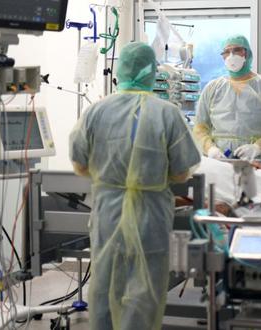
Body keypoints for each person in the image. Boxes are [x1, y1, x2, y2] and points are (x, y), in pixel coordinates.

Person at [69, 42, 201, 330]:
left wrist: (111, 173)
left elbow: (79, 165)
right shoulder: (168, 113)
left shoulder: (96, 112)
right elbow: (181, 172)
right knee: (144, 288)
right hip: (150, 215)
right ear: (152, 72)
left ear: (120, 71)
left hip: (107, 213)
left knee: (105, 282)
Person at [193, 35, 261, 177]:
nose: (231, 55)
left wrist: (257, 147)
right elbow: (199, 128)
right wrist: (211, 150)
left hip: (257, 163)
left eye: (237, 50)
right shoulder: (213, 88)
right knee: (219, 198)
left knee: (259, 197)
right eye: (227, 52)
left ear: (247, 53)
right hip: (221, 162)